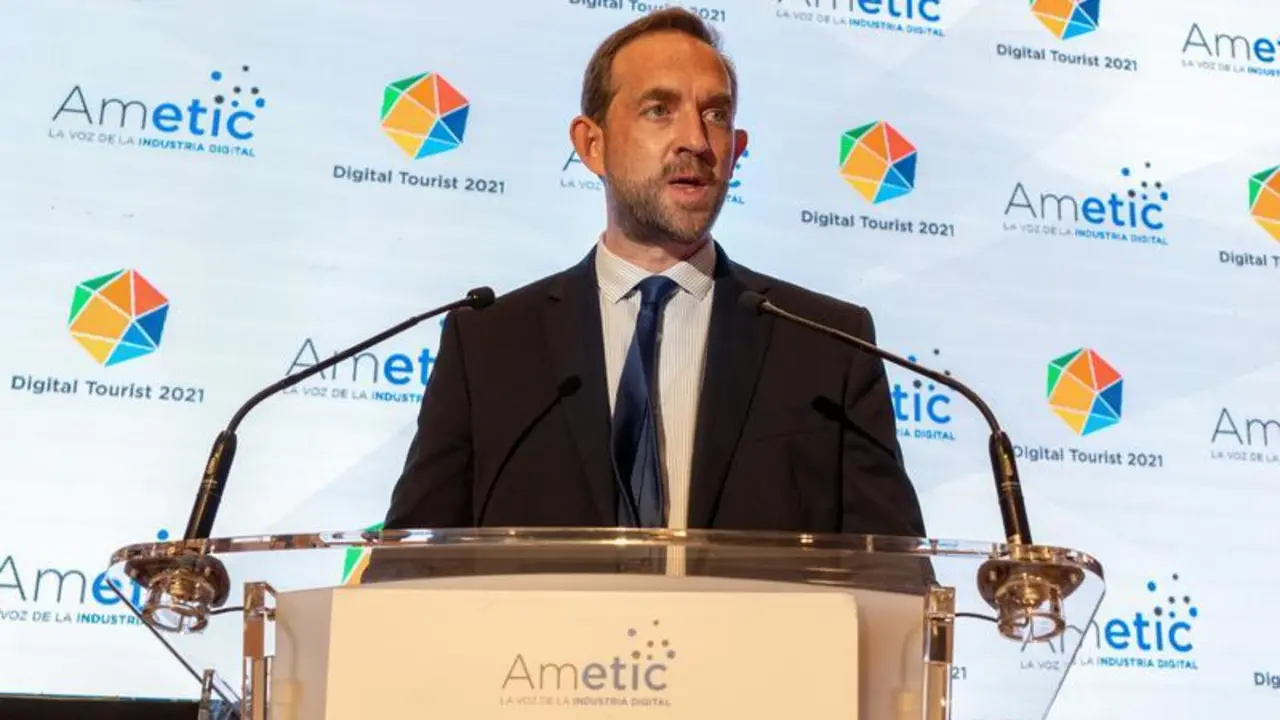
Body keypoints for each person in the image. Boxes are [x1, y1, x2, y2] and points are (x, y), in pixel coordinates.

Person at [381, 8, 926, 539]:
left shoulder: (828, 347)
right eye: (660, 110)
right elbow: (409, 566)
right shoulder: (489, 346)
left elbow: (896, 574)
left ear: (737, 150)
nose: (697, 140)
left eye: (716, 114)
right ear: (592, 145)